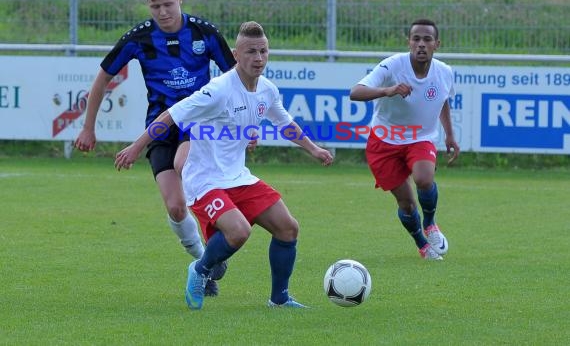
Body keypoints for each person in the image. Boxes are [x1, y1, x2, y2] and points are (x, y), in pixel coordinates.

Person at [114, 21, 334, 310]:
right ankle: (201, 269)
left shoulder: (267, 90)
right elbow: (171, 115)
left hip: (238, 177)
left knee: (288, 228)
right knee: (239, 232)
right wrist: (137, 145)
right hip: (204, 180)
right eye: (250, 52)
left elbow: (284, 123)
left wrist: (314, 149)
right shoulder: (217, 90)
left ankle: (279, 299)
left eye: (263, 51)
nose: (258, 58)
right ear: (235, 54)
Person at [74, 0, 236, 294]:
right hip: (159, 127)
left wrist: (243, 123)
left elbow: (235, 78)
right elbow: (102, 78)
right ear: (148, 6)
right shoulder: (140, 38)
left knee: (183, 163)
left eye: (167, 4)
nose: (162, 12)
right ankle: (203, 264)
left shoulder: (205, 32)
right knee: (175, 207)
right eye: (155, 6)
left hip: (198, 124)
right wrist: (88, 127)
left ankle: (216, 237)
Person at [349, 18, 460, 260]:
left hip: (420, 138)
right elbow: (355, 93)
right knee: (407, 204)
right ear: (408, 42)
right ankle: (422, 245)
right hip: (384, 143)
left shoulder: (445, 72)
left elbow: (443, 101)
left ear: (436, 44)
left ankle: (430, 224)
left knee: (423, 178)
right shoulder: (391, 67)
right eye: (416, 39)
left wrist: (450, 134)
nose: (421, 44)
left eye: (427, 39)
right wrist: (386, 91)